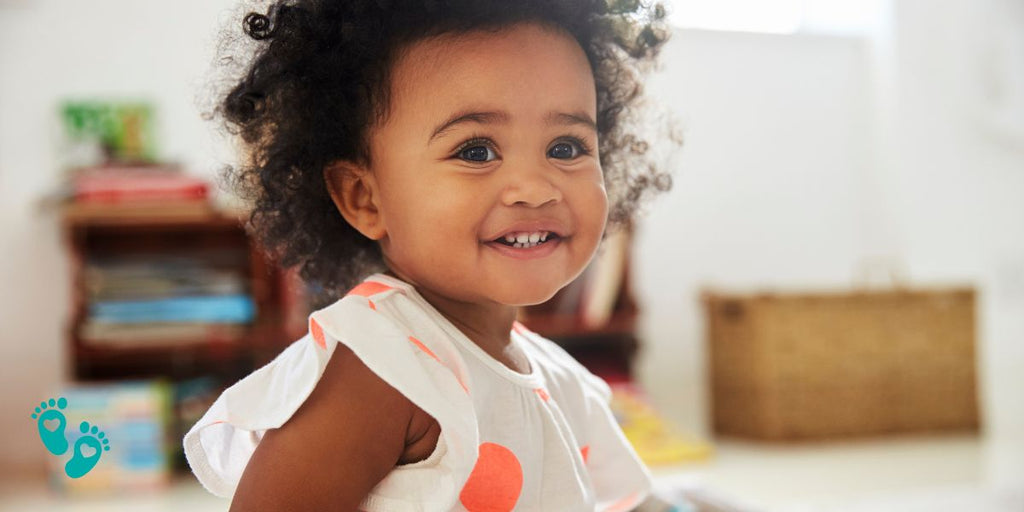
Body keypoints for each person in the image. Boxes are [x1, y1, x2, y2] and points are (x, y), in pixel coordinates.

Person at [184, 0, 675, 510]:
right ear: (364, 198)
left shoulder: (566, 383)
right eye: (476, 151)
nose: (534, 188)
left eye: (567, 148)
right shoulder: (380, 366)